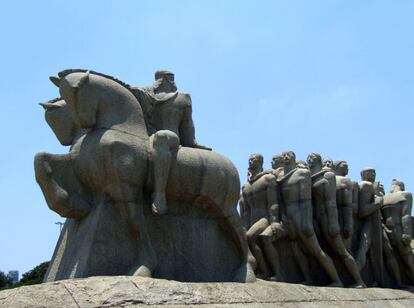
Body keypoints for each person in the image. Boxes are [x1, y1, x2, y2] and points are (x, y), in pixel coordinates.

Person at [131, 70, 210, 215]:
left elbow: (187, 125)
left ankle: (159, 194)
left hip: (170, 138)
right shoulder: (144, 95)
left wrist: (192, 142)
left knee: (161, 136)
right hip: (145, 137)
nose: (171, 81)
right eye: (169, 78)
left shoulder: (183, 98)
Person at [307, 153, 365, 287]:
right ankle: (335, 280)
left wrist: (334, 223)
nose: (310, 160)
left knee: (341, 252)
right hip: (319, 221)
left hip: (329, 220)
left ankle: (358, 281)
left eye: (313, 159)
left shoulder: (328, 176)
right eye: (308, 158)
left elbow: (331, 202)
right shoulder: (311, 177)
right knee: (330, 251)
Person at [240, 154, 282, 279]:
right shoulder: (246, 186)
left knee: (249, 237)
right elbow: (246, 211)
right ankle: (264, 271)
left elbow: (273, 202)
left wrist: (274, 221)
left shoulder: (268, 179)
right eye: (249, 159)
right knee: (246, 237)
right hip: (253, 219)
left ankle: (278, 273)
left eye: (253, 159)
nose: (250, 161)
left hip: (265, 218)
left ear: (260, 162)